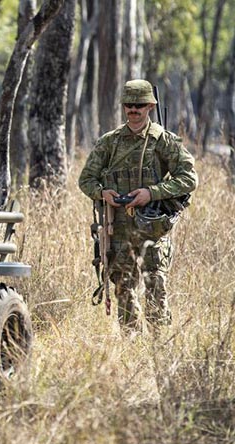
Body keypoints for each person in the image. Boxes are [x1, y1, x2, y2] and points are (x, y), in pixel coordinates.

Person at [79, 79, 197, 332]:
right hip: (118, 227)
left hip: (153, 226)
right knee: (123, 287)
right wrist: (103, 193)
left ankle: (159, 347)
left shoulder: (164, 141)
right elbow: (86, 179)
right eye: (129, 105)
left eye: (139, 105)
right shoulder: (109, 142)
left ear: (150, 107)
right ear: (123, 106)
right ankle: (130, 344)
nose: (134, 110)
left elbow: (189, 179)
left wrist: (151, 193)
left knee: (155, 284)